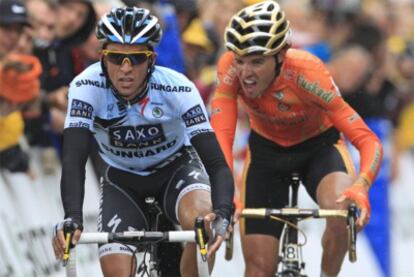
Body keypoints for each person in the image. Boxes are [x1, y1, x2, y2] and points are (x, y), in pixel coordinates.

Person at [51, 7, 234, 276]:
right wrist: (72, 218)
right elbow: (73, 160)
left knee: (202, 224)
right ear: (102, 58)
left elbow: (216, 163)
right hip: (122, 179)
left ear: (151, 60)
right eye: (116, 58)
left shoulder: (178, 88)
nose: (125, 69)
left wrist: (223, 212)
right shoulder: (85, 87)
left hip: (177, 170)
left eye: (136, 59)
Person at [210, 2, 383, 277]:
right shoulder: (229, 70)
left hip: (319, 148)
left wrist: (361, 186)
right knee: (258, 270)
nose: (245, 72)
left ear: (280, 56)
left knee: (340, 212)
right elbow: (222, 138)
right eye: (240, 59)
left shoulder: (307, 73)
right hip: (266, 154)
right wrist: (225, 196)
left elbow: (367, 139)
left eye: (257, 61)